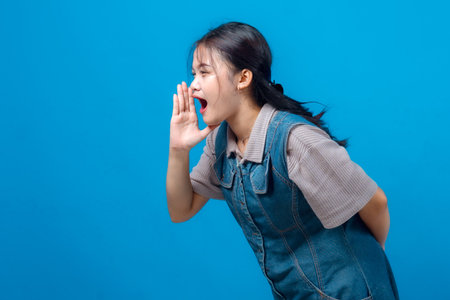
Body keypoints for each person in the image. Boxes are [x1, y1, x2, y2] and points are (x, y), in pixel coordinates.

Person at [166, 21, 399, 300]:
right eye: (193, 74)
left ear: (242, 78)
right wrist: (178, 149)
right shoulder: (220, 142)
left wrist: (371, 256)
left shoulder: (295, 141)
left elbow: (377, 202)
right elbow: (181, 209)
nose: (192, 86)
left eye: (204, 73)